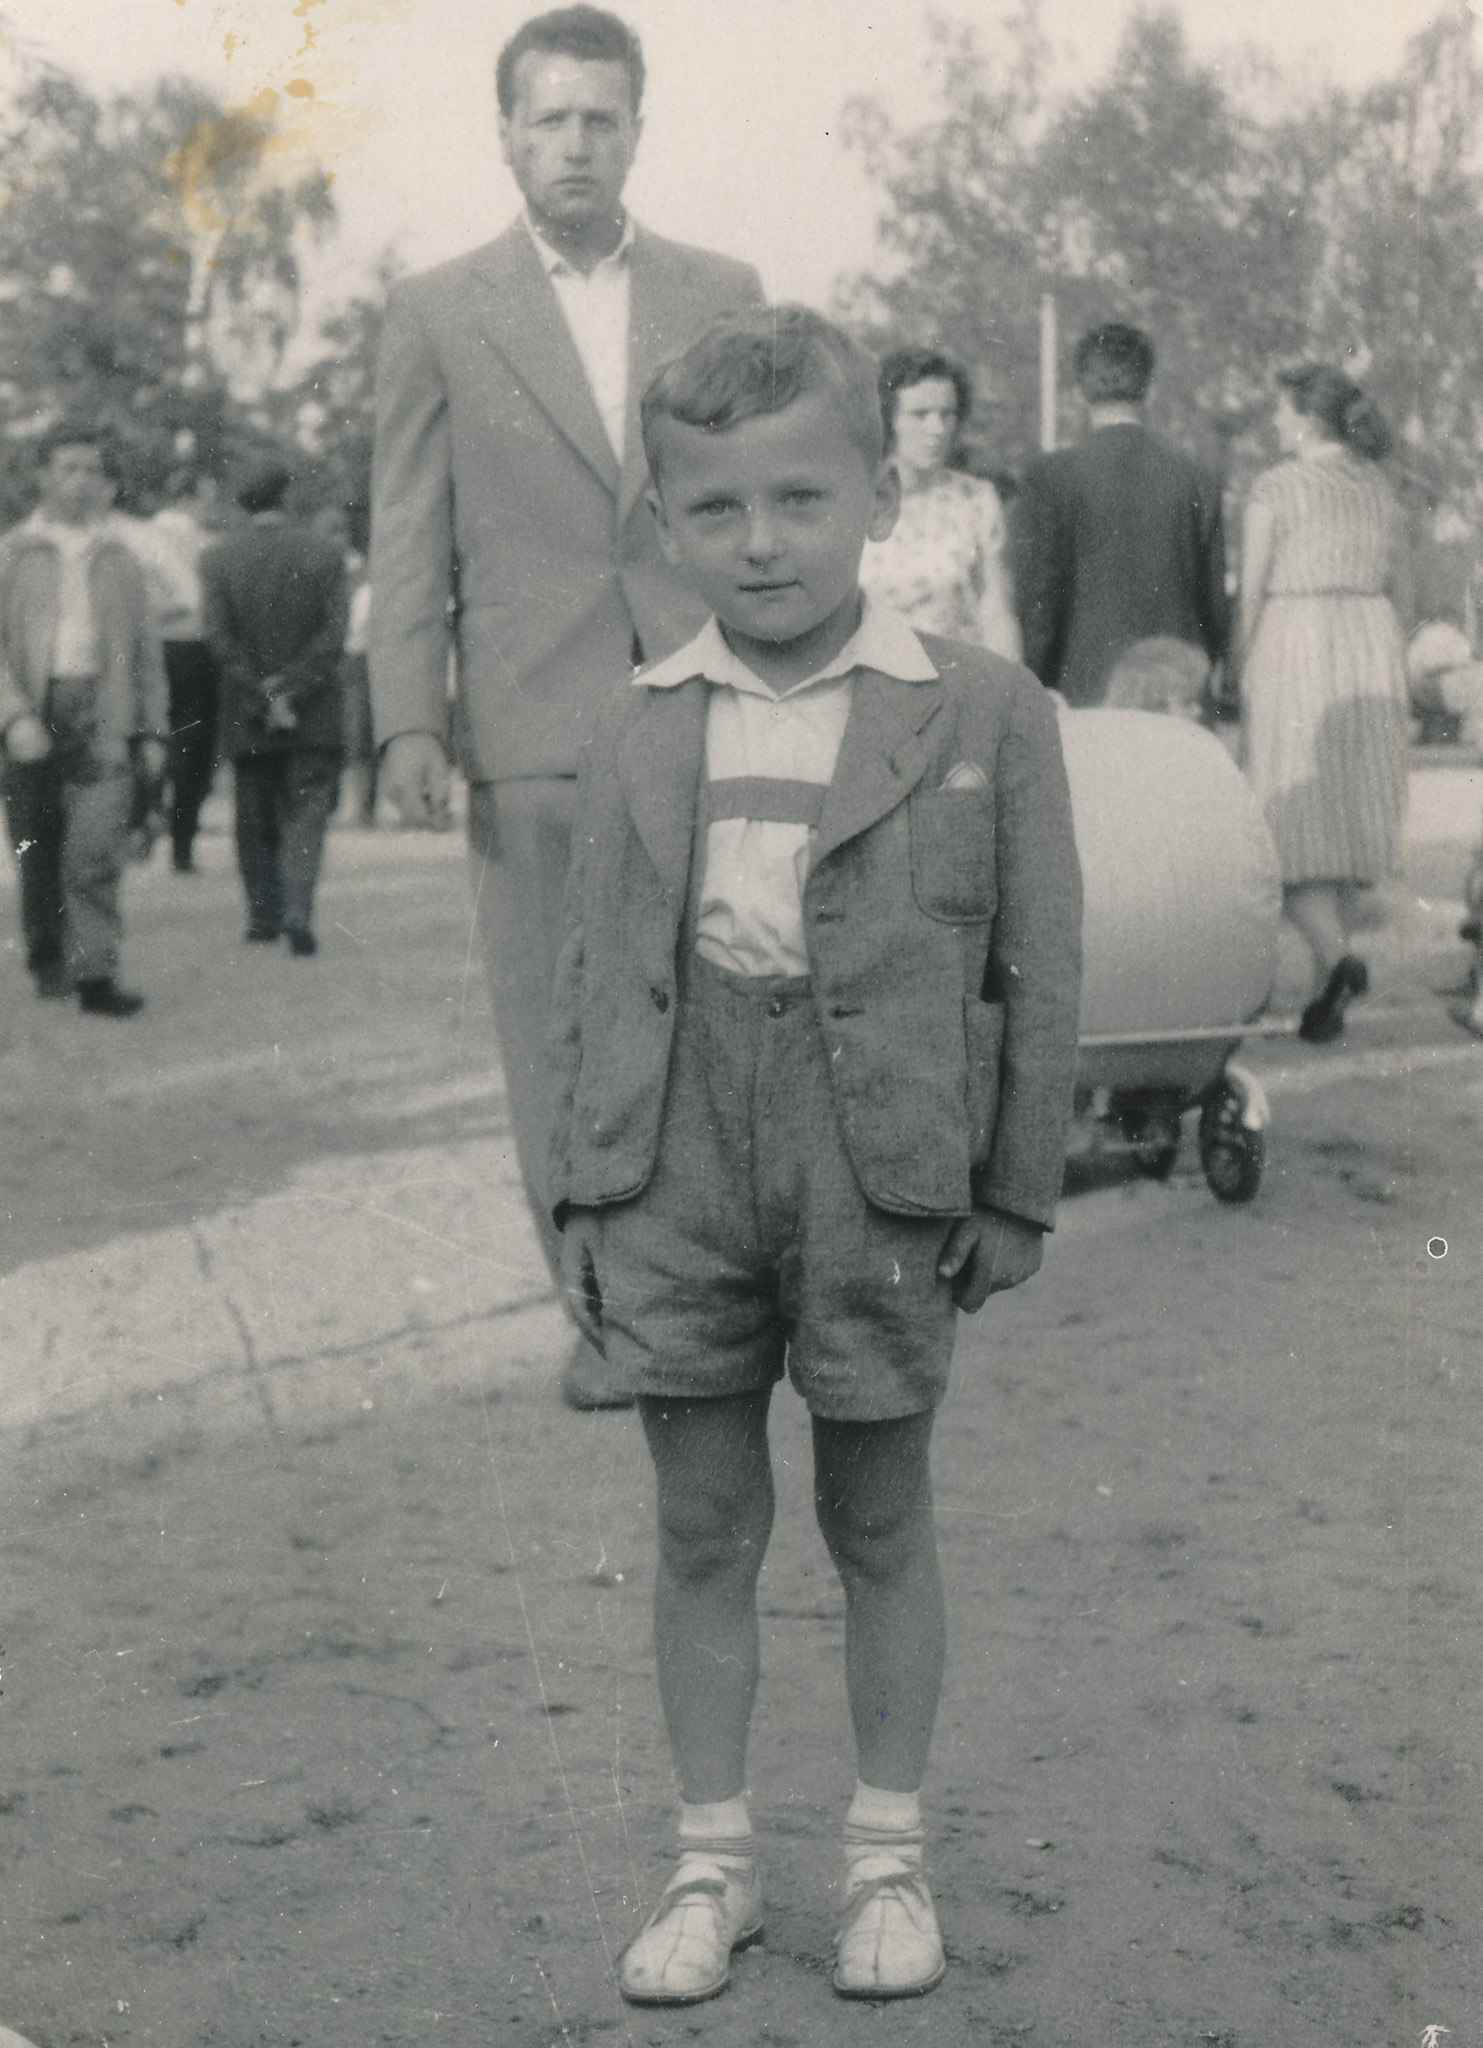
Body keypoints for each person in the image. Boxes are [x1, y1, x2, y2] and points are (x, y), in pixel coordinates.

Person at [547, 307, 1083, 2005]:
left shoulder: (979, 706)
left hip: (880, 1166)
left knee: (877, 1516)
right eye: (714, 510)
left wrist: (1013, 1187)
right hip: (676, 1161)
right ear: (664, 523)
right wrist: (582, 1198)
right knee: (701, 1522)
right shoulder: (637, 718)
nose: (760, 543)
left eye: (799, 499)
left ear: (878, 498)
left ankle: (885, 1863)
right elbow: (592, 976)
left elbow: (1038, 964)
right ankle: (709, 1864)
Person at [370, 4, 764, 1410]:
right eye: (550, 119)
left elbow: (756, 497)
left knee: (724, 1005)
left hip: (706, 701)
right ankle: (601, 1314)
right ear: (506, 135)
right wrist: (409, 720)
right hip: (530, 726)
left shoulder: (721, 292)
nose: (577, 143)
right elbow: (407, 531)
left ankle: (713, 1291)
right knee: (558, 1028)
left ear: (637, 130)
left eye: (602, 117)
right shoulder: (436, 311)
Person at [1237, 364, 1406, 1044]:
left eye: (1284, 411)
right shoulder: (1379, 486)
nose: (1277, 423)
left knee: (1285, 812)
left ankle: (1336, 961)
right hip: (1368, 641)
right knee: (1342, 820)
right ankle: (1322, 998)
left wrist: (1235, 662)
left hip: (1297, 638)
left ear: (1308, 419)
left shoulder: (1276, 486)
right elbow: (1399, 585)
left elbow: (1251, 588)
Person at [0, 426, 167, 1016]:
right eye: (68, 468)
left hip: (103, 710)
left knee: (96, 848)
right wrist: (13, 716)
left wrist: (152, 731)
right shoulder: (13, 552)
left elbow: (147, 652)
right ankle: (48, 954)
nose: (80, 481)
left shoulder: (121, 558)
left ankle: (96, 972)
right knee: (37, 846)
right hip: (34, 708)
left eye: (92, 470)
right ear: (43, 476)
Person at [1011, 321, 1229, 707]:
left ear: (1080, 391)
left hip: (1081, 687)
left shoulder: (1049, 477)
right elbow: (1212, 605)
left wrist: (1033, 681)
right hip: (1175, 692)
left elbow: (1037, 601)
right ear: (1149, 388)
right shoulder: (1195, 478)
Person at [200, 464, 348, 956]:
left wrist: (263, 693)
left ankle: (263, 915)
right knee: (307, 815)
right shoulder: (326, 553)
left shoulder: (218, 558)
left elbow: (219, 640)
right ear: (287, 496)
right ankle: (298, 910)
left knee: (254, 817)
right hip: (314, 709)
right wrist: (292, 689)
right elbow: (333, 636)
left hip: (248, 710)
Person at [859, 347, 1021, 658]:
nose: (937, 429)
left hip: (957, 678)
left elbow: (996, 612)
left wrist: (1012, 682)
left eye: (947, 414)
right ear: (888, 419)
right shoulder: (851, 502)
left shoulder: (977, 500)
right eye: (920, 415)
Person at [131, 470, 225, 872]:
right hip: (194, 645)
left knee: (148, 733)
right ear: (188, 498)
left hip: (150, 644)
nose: (211, 507)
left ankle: (142, 821)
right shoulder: (204, 542)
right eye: (206, 499)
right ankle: (182, 845)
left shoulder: (140, 536)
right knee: (193, 743)